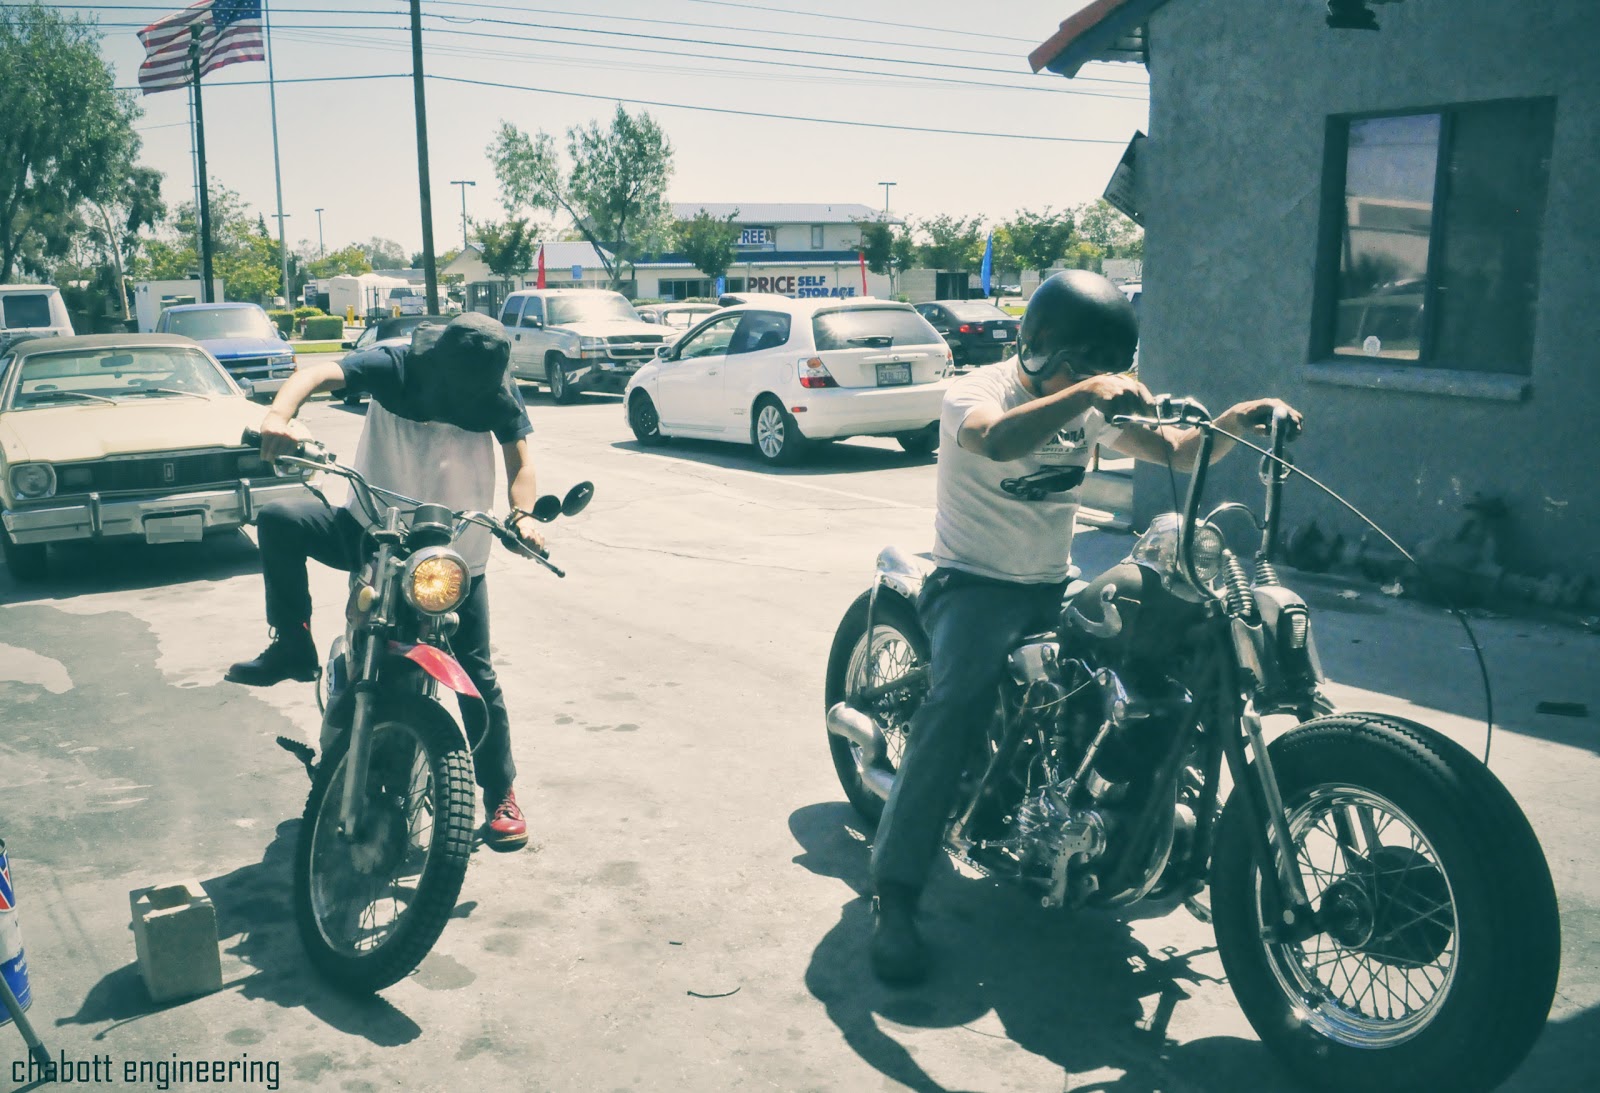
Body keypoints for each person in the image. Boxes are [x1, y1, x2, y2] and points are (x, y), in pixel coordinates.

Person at [868, 270, 1302, 984]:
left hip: (1052, 582)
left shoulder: (1090, 403)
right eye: (1078, 366)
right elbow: (994, 440)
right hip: (973, 584)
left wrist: (1237, 418)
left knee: (1149, 657)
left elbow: (1178, 451)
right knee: (955, 704)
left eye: (1105, 368)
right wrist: (1089, 394)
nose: (1091, 380)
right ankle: (895, 894)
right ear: (1038, 348)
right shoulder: (974, 393)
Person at [226, 313, 546, 851]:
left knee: (477, 674)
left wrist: (523, 515)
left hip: (452, 555)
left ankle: (501, 794)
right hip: (369, 530)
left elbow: (522, 463)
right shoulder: (396, 363)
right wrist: (279, 416)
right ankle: (293, 646)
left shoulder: (495, 390)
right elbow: (316, 373)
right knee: (280, 519)